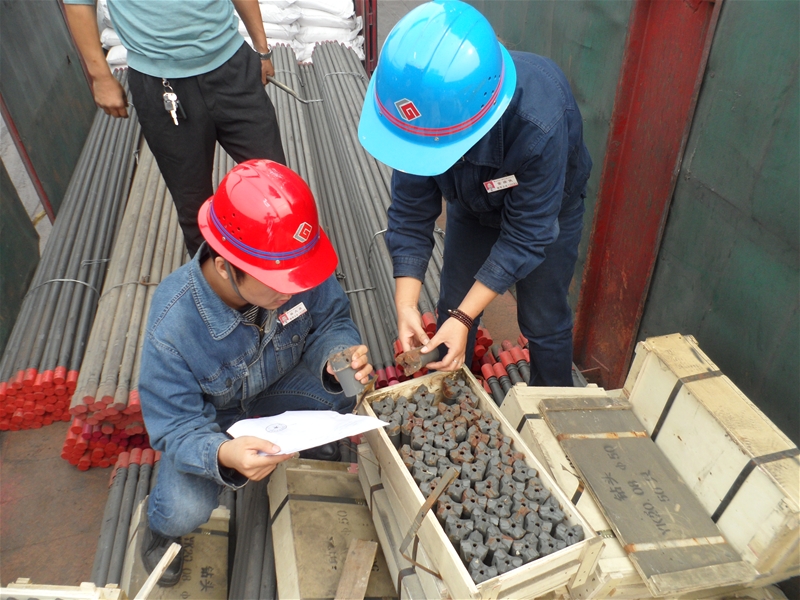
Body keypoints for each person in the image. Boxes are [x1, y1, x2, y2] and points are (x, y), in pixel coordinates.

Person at [137, 159, 372, 586]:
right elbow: (175, 425)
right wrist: (224, 455)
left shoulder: (293, 262)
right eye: (277, 282)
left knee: (342, 390)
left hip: (276, 387)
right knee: (183, 510)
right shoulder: (173, 326)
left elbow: (332, 320)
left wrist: (337, 357)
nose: (292, 289)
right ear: (225, 265)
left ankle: (305, 436)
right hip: (212, 424)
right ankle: (158, 528)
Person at [358, 0, 592, 387]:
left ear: (480, 120)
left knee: (543, 318)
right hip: (472, 205)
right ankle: (451, 397)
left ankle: (553, 401)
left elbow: (526, 235)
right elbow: (411, 213)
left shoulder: (539, 122)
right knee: (452, 307)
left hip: (546, 213)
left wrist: (466, 318)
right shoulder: (421, 119)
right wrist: (406, 305)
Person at [63, 0, 286, 256]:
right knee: (194, 205)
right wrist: (101, 76)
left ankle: (285, 266)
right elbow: (78, 3)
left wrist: (262, 49)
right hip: (161, 85)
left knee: (276, 186)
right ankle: (216, 277)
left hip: (231, 67)